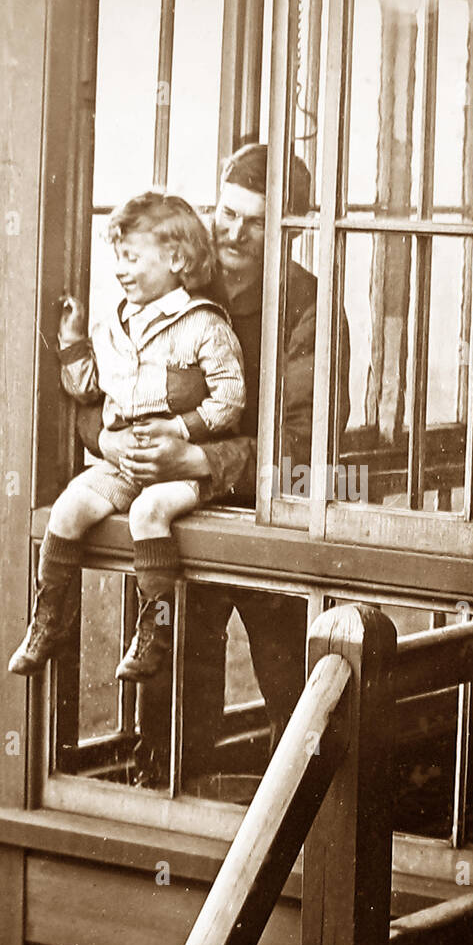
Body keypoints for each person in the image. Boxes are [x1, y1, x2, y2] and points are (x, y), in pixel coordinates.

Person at [98, 144, 349, 771]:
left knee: (297, 694)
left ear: (290, 226)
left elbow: (309, 442)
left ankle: (300, 828)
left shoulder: (311, 308)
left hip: (267, 524)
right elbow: (99, 390)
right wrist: (106, 442)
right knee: (172, 685)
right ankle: (166, 801)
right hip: (174, 525)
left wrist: (200, 461)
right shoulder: (169, 286)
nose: (233, 231)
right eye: (226, 212)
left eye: (257, 220)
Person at [9, 191, 245, 681]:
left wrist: (181, 432)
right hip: (121, 464)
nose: (120, 268)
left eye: (132, 257)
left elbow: (230, 400)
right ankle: (48, 619)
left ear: (176, 259)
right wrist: (74, 340)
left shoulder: (203, 325)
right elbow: (87, 388)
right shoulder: (112, 325)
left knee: (147, 511)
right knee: (69, 508)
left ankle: (155, 628)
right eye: (117, 257)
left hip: (182, 464)